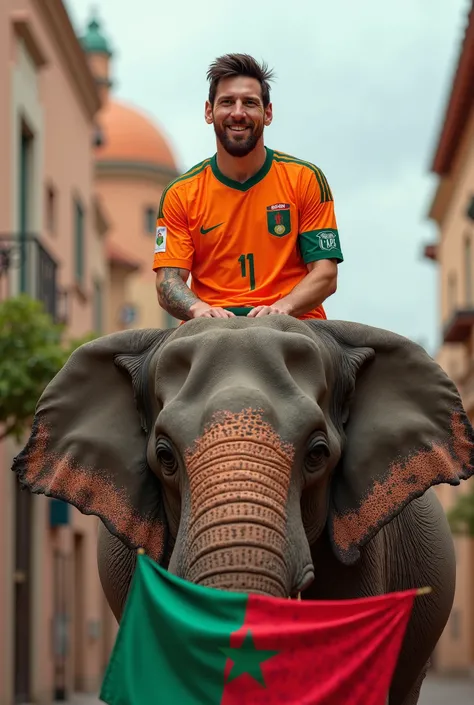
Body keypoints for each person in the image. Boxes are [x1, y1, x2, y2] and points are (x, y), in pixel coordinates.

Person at [153, 53, 343, 321]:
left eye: (250, 103)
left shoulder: (305, 179)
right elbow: (167, 281)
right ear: (209, 111)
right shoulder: (180, 194)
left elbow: (325, 273)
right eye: (227, 102)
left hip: (295, 324)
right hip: (208, 331)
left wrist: (283, 307)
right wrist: (200, 309)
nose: (238, 113)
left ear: (268, 113)